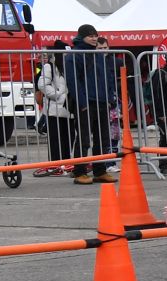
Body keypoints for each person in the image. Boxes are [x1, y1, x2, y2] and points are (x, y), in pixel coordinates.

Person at [62, 26, 119, 184]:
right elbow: (73, 82)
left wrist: (110, 98)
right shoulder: (74, 55)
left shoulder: (98, 54)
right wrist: (82, 103)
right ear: (82, 37)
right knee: (84, 139)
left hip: (102, 101)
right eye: (90, 36)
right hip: (86, 102)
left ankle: (100, 171)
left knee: (103, 139)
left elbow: (107, 77)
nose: (94, 38)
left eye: (95, 36)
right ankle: (79, 171)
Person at [35, 42, 71, 175]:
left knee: (68, 137)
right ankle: (55, 165)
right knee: (55, 138)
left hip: (68, 108)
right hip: (54, 109)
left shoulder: (69, 66)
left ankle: (66, 164)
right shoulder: (49, 66)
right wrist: (56, 95)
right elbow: (42, 84)